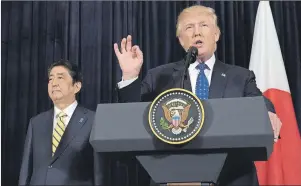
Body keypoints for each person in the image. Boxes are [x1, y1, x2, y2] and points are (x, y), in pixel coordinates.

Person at [113, 5, 282, 186]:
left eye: (203, 25)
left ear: (216, 35)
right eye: (189, 27)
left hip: (231, 177)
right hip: (172, 175)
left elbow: (258, 101)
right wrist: (130, 77)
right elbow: (133, 120)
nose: (196, 33)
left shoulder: (240, 76)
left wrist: (268, 112)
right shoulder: (159, 77)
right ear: (180, 40)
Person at [19, 60, 104, 185]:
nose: (54, 83)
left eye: (60, 78)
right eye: (51, 79)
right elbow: (26, 170)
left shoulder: (93, 120)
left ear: (76, 86)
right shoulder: (36, 122)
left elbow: (99, 172)